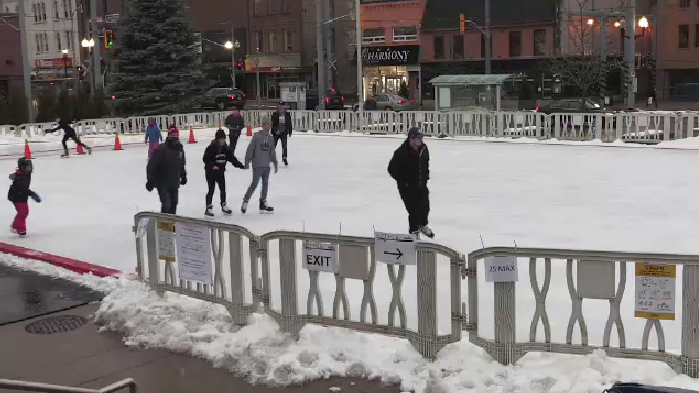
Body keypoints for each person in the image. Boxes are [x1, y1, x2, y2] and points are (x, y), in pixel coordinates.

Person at [387, 127, 433, 238]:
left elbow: (425, 164)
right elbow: (391, 169)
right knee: (413, 210)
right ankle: (414, 231)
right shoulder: (401, 152)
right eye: (417, 138)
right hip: (407, 187)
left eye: (421, 138)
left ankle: (422, 225)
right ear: (411, 138)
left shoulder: (424, 149)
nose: (420, 141)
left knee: (425, 206)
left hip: (421, 184)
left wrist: (425, 177)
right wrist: (404, 181)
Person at [203, 129, 245, 216]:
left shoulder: (226, 149)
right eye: (221, 139)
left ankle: (223, 205)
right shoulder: (211, 148)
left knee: (223, 189)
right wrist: (212, 165)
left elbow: (232, 159)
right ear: (217, 140)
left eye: (224, 139)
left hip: (220, 172)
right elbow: (205, 159)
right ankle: (208, 207)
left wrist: (241, 166)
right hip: (210, 173)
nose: (223, 141)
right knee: (211, 189)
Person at [146, 126, 187, 215]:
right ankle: (163, 225)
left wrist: (183, 175)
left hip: (174, 182)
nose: (174, 139)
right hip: (162, 183)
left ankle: (171, 224)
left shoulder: (180, 149)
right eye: (172, 137)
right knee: (166, 204)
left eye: (176, 137)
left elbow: (181, 164)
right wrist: (150, 180)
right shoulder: (161, 149)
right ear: (168, 137)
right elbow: (152, 165)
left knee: (174, 203)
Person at [242, 117, 277, 214]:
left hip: (266, 165)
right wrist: (247, 161)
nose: (268, 126)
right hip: (257, 164)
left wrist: (275, 162)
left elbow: (272, 151)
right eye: (267, 124)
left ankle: (263, 202)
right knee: (254, 184)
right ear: (263, 125)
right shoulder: (257, 137)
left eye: (270, 124)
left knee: (265, 184)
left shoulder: (270, 138)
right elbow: (250, 149)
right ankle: (246, 200)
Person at [8, 157, 41, 236]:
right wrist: (32, 194)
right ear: (22, 167)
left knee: (24, 212)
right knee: (23, 212)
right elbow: (23, 188)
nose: (29, 168)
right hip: (16, 196)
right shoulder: (21, 177)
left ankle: (16, 226)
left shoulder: (26, 174)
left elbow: (24, 188)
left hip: (22, 196)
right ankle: (19, 228)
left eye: (30, 166)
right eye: (27, 167)